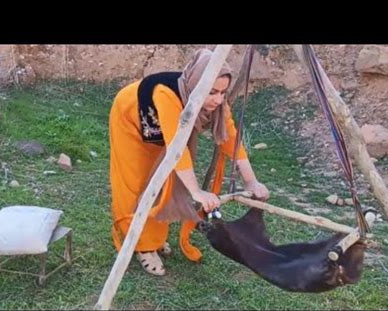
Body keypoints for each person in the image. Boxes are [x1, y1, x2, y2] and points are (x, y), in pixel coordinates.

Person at [109, 48, 269, 276]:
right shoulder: (166, 96)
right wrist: (196, 192)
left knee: (164, 184)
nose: (218, 99)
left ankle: (153, 237)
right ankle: (141, 245)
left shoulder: (215, 103)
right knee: (134, 181)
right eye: (212, 92)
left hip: (161, 130)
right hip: (131, 121)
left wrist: (251, 182)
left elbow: (231, 140)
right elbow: (177, 150)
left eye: (223, 92)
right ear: (197, 84)